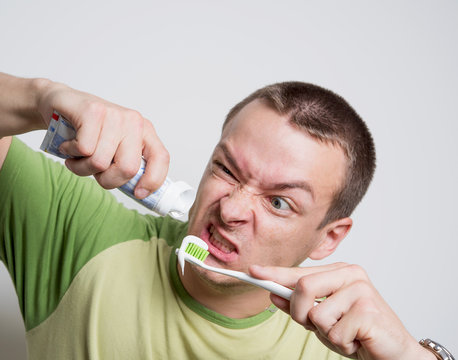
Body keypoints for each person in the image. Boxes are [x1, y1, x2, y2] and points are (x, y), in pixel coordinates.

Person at [0, 72, 440, 360]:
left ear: (328, 238)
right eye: (226, 170)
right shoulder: (81, 234)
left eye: (278, 202)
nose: (230, 210)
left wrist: (415, 358)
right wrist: (40, 97)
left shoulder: (344, 346)